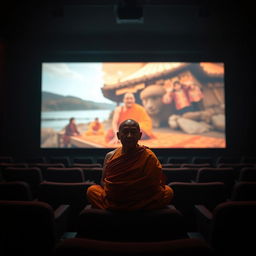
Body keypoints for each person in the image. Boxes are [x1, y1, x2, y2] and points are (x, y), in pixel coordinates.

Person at [87, 119, 173, 211]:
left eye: (133, 132)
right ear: (118, 135)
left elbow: (154, 183)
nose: (129, 136)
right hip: (128, 200)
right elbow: (103, 182)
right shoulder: (110, 156)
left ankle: (118, 210)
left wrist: (131, 192)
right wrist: (119, 191)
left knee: (169, 191)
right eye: (125, 132)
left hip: (137, 198)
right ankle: (138, 210)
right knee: (91, 191)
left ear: (139, 135)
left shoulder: (148, 156)